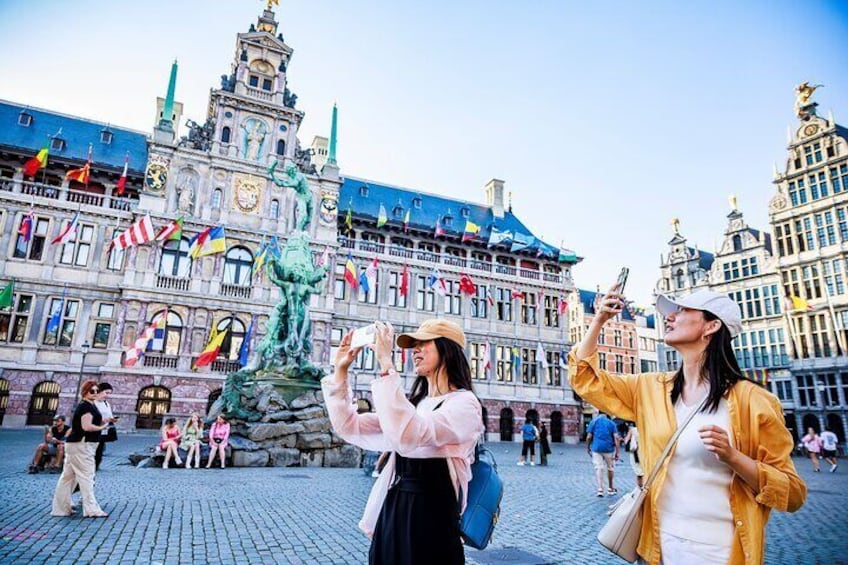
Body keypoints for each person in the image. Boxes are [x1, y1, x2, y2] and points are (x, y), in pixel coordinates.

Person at [570, 287, 806, 564]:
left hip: (720, 552)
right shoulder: (650, 388)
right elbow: (585, 378)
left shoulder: (754, 401)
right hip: (657, 550)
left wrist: (734, 457)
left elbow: (792, 493)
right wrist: (598, 321)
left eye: (681, 310)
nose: (670, 317)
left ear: (712, 325)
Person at [322, 319, 482, 565]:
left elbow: (409, 435)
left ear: (447, 349)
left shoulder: (465, 404)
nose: (415, 349)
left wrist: (387, 365)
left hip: (432, 514)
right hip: (395, 509)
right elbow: (349, 426)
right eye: (414, 344)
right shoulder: (416, 406)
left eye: (423, 342)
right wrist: (340, 371)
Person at [51, 380, 114, 518]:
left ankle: (60, 509)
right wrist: (103, 427)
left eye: (97, 391)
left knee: (68, 477)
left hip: (78, 444)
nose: (95, 393)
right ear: (85, 392)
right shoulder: (86, 406)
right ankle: (91, 509)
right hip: (82, 444)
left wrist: (106, 421)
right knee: (87, 477)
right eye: (92, 391)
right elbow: (87, 427)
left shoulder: (89, 405)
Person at [586, 411, 619, 496]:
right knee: (610, 468)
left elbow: (589, 437)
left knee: (598, 468)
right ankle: (610, 488)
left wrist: (588, 448)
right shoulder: (611, 423)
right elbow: (616, 438)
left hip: (596, 448)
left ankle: (600, 489)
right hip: (609, 449)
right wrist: (617, 452)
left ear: (598, 413)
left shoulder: (594, 421)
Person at [94, 382, 116, 471]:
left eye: (109, 393)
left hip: (103, 431)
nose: (107, 395)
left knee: (99, 450)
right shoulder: (93, 402)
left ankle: (96, 466)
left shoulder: (106, 403)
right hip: (93, 430)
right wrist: (102, 420)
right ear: (100, 391)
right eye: (106, 393)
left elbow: (109, 415)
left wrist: (111, 419)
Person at [623, 422, 645, 487]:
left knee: (639, 472)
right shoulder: (647, 429)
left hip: (636, 453)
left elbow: (626, 441)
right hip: (645, 451)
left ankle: (640, 488)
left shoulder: (633, 430)